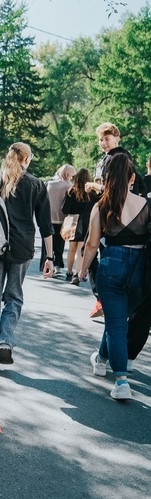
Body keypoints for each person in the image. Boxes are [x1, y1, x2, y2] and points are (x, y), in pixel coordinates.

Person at [79, 153, 148, 400]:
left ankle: (121, 381)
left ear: (107, 178)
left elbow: (91, 244)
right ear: (131, 178)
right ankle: (100, 359)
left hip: (112, 267)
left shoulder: (101, 206)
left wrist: (83, 268)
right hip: (140, 272)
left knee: (117, 324)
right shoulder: (146, 205)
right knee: (118, 321)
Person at [0, 143, 53, 370]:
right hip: (22, 248)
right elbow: (45, 226)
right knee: (14, 297)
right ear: (28, 159)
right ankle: (5, 340)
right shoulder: (36, 185)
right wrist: (49, 258)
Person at [61, 168, 96, 285]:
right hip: (86, 223)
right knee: (81, 250)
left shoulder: (71, 191)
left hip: (72, 222)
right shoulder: (91, 193)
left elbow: (64, 209)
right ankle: (77, 274)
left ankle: (69, 272)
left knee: (71, 249)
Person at [40, 164, 75, 275]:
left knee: (46, 243)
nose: (71, 178)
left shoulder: (48, 183)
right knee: (59, 243)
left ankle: (45, 264)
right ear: (67, 174)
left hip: (48, 217)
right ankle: (58, 264)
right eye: (71, 175)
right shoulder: (68, 185)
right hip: (62, 218)